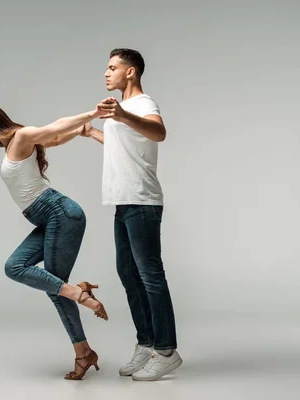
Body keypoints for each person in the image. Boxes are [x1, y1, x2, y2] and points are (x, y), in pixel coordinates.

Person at [0, 99, 109, 380]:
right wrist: (79, 131)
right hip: (49, 218)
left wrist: (91, 114)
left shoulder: (20, 136)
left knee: (57, 288)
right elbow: (55, 138)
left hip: (60, 214)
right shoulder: (13, 144)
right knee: (21, 268)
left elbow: (53, 128)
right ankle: (80, 319)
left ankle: (80, 317)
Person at [81, 48, 182, 381]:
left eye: (112, 68)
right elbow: (123, 147)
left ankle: (166, 350)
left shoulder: (142, 104)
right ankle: (147, 342)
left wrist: (122, 115)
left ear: (131, 72)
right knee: (128, 273)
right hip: (122, 202)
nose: (106, 73)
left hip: (142, 201)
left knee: (151, 276)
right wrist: (92, 132)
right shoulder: (121, 110)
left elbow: (159, 133)